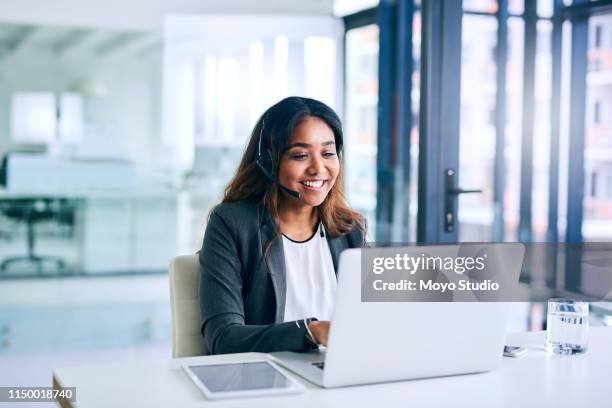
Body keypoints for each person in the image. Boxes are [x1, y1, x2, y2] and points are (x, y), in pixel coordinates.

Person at [198, 96, 366, 355]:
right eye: (300, 155)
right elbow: (224, 338)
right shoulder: (231, 224)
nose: (318, 168)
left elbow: (372, 320)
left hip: (337, 372)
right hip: (265, 380)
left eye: (328, 153)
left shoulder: (350, 228)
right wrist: (311, 331)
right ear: (268, 161)